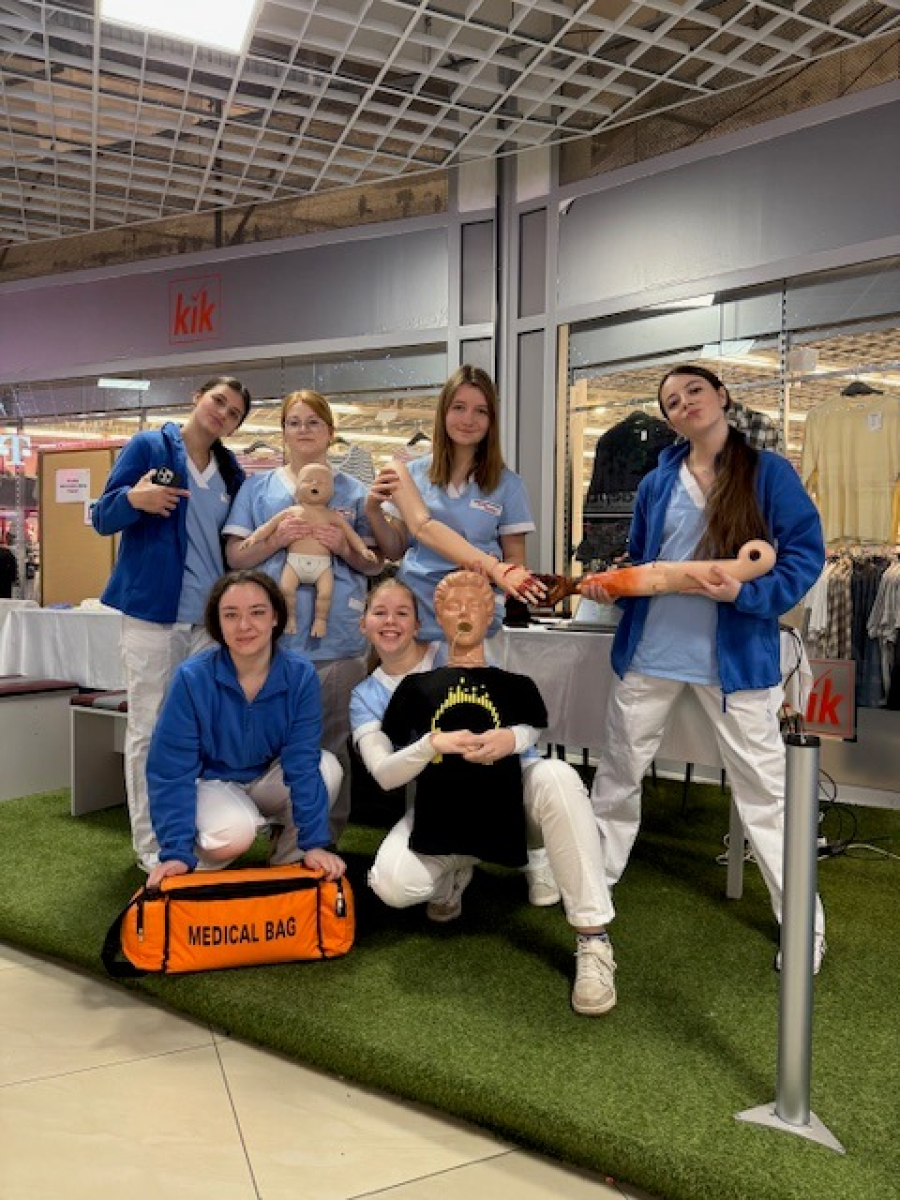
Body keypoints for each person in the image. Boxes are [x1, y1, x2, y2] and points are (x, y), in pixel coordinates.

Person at [583, 364, 827, 971]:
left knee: (766, 796)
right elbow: (647, 564)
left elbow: (804, 556)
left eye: (694, 390)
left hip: (735, 664)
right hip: (650, 656)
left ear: (720, 396)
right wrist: (617, 585)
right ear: (668, 419)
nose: (684, 403)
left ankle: (804, 926)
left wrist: (746, 594)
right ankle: (589, 899)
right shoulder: (655, 483)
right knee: (616, 779)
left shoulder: (768, 473)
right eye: (672, 400)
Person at [351, 574, 617, 1016]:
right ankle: (458, 864)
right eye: (380, 612)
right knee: (392, 883)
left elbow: (526, 721)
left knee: (557, 776)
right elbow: (384, 772)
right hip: (440, 807)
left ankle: (593, 936)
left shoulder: (471, 660)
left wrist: (512, 738)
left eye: (402, 613)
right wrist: (430, 744)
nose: (391, 622)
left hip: (511, 792)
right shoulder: (377, 693)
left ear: (419, 623)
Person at [92, 375, 252, 872]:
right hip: (153, 618)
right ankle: (151, 845)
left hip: (208, 624)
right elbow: (101, 517)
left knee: (199, 731)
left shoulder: (231, 472)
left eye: (233, 413)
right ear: (196, 398)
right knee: (150, 730)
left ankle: (192, 837)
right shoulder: (149, 447)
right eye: (217, 401)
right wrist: (133, 501)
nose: (222, 413)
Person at [224, 390, 384, 840]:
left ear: (331, 432)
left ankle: (323, 839)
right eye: (294, 422)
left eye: (313, 422)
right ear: (282, 433)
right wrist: (276, 541)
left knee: (333, 744)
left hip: (337, 642)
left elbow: (375, 563)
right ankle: (279, 835)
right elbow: (235, 556)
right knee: (273, 743)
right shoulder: (258, 489)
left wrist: (343, 549)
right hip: (271, 641)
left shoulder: (354, 493)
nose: (303, 430)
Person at [145, 570, 345, 891]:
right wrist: (175, 852)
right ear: (218, 622)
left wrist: (314, 844)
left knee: (327, 768)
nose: (244, 625)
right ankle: (197, 866)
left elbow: (302, 761)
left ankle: (288, 863)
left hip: (266, 780)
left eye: (257, 613)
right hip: (212, 783)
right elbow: (171, 769)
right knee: (234, 832)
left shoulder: (300, 675)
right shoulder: (191, 678)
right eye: (231, 615)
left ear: (275, 617)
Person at [365, 365, 539, 643]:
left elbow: (515, 562)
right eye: (459, 407)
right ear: (443, 412)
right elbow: (396, 548)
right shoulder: (411, 475)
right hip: (417, 613)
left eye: (480, 411)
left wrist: (492, 575)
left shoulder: (509, 485)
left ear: (492, 420)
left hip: (474, 614)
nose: (468, 419)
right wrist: (373, 510)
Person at [240, 462, 377, 637]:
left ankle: (320, 621)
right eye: (308, 480)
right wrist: (253, 538)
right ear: (297, 488)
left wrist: (363, 550)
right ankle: (290, 619)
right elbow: (267, 527)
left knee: (325, 594)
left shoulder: (333, 516)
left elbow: (352, 535)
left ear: (332, 491)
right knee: (286, 590)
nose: (314, 484)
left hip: (323, 566)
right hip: (294, 563)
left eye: (322, 482)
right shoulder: (291, 511)